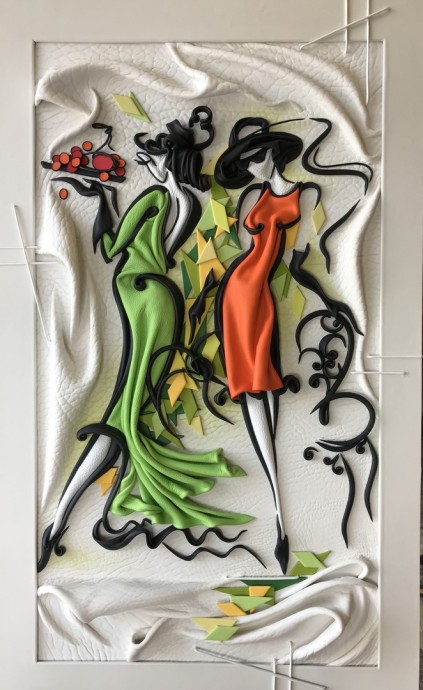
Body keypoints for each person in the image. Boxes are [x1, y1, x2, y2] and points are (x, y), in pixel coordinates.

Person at [37, 107, 254, 572]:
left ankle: (64, 516)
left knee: (126, 403)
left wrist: (101, 197)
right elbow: (161, 252)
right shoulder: (189, 203)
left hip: (140, 295)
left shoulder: (154, 197)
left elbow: (113, 248)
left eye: (152, 158)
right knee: (132, 401)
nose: (148, 165)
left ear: (166, 161)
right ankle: (74, 510)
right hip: (162, 301)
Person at [214, 116, 372, 572]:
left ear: (272, 154)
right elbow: (248, 248)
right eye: (246, 163)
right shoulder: (257, 196)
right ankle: (277, 506)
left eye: (256, 158)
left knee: (261, 380)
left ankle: (280, 511)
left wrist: (327, 297)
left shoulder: (300, 194)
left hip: (257, 292)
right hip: (238, 289)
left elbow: (299, 257)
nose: (252, 167)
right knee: (249, 383)